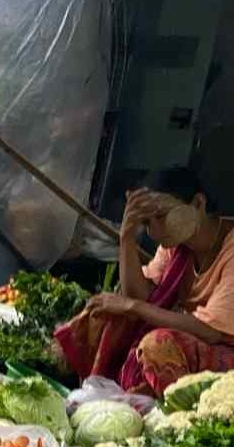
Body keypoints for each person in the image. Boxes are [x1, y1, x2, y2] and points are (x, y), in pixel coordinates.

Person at [57, 167, 234, 395]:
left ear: (198, 204)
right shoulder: (178, 245)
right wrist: (127, 237)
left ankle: (164, 406)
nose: (155, 232)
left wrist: (132, 306)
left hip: (223, 350)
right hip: (196, 343)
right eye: (147, 223)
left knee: (157, 344)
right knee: (105, 311)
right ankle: (91, 387)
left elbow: (211, 332)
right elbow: (139, 296)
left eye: (161, 216)